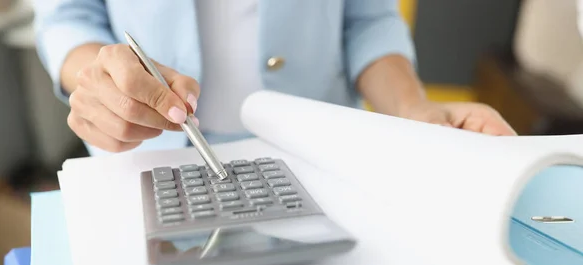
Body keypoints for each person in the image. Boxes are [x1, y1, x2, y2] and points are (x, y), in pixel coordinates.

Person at [32, 0, 516, 156]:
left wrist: (414, 111)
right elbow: (65, 17)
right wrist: (95, 78)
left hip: (324, 155)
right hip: (143, 159)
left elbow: (368, 18)